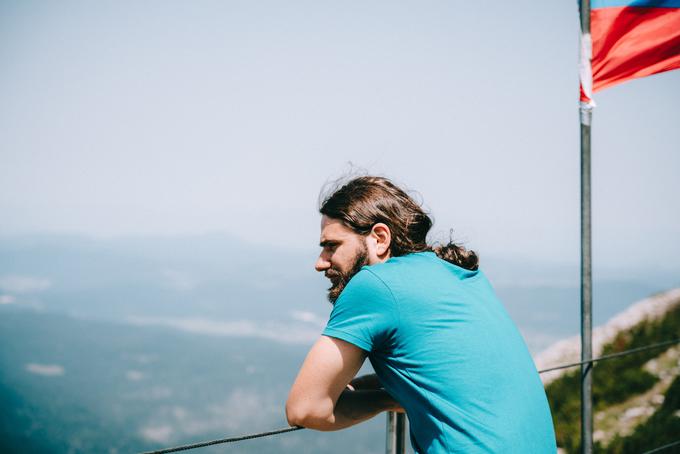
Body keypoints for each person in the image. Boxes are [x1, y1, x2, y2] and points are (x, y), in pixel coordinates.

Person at [285, 176, 556, 453]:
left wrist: (386, 401)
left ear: (379, 239)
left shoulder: (374, 284)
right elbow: (438, 374)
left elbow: (304, 407)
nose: (320, 263)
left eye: (332, 246)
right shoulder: (458, 274)